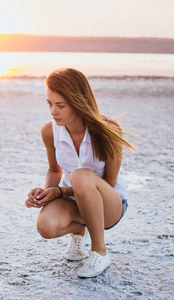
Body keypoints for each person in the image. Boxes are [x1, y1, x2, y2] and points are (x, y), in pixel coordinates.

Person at [25, 68, 135, 278]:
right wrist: (45, 193)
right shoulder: (49, 131)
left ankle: (99, 251)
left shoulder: (108, 130)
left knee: (80, 176)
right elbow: (54, 169)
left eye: (60, 105)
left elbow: (109, 182)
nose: (53, 111)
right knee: (45, 227)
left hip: (109, 206)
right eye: (49, 103)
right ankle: (78, 233)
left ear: (78, 102)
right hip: (73, 201)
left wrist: (61, 191)